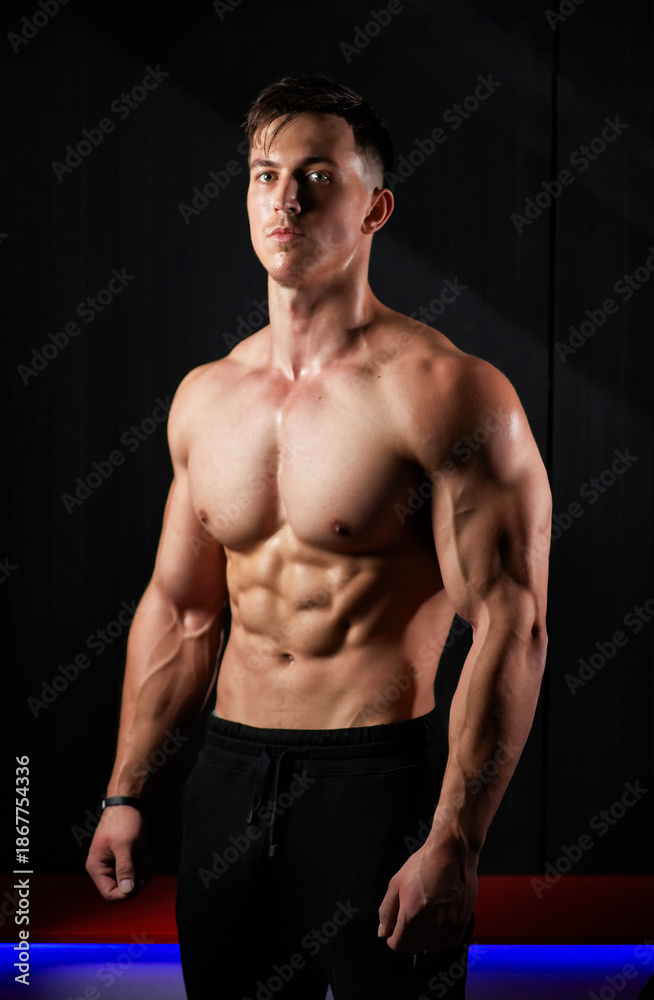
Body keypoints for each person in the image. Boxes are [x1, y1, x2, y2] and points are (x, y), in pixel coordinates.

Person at [86, 76, 551, 999]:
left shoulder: (450, 393)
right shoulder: (205, 396)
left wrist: (455, 840)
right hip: (227, 777)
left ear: (374, 205)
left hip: (376, 786)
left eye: (316, 177)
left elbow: (512, 625)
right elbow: (181, 613)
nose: (285, 200)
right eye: (265, 175)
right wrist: (125, 792)